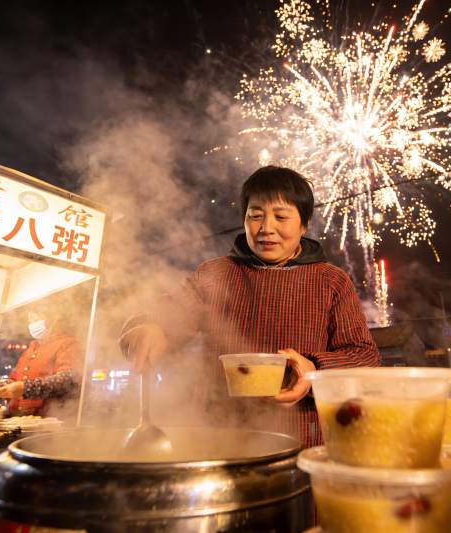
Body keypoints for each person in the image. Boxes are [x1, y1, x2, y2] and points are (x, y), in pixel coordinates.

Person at [120, 166, 380, 448]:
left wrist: (313, 368)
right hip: (217, 436)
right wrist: (152, 328)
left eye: (281, 216)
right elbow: (169, 312)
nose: (266, 228)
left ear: (304, 225)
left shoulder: (331, 281)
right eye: (255, 215)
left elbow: (364, 356)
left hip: (300, 441)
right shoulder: (216, 273)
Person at [0, 311, 80, 417]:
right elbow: (15, 379)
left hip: (48, 419)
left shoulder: (67, 344)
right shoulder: (32, 347)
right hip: (18, 418)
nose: (32, 325)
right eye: (30, 321)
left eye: (36, 320)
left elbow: (67, 380)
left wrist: (26, 388)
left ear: (53, 320)